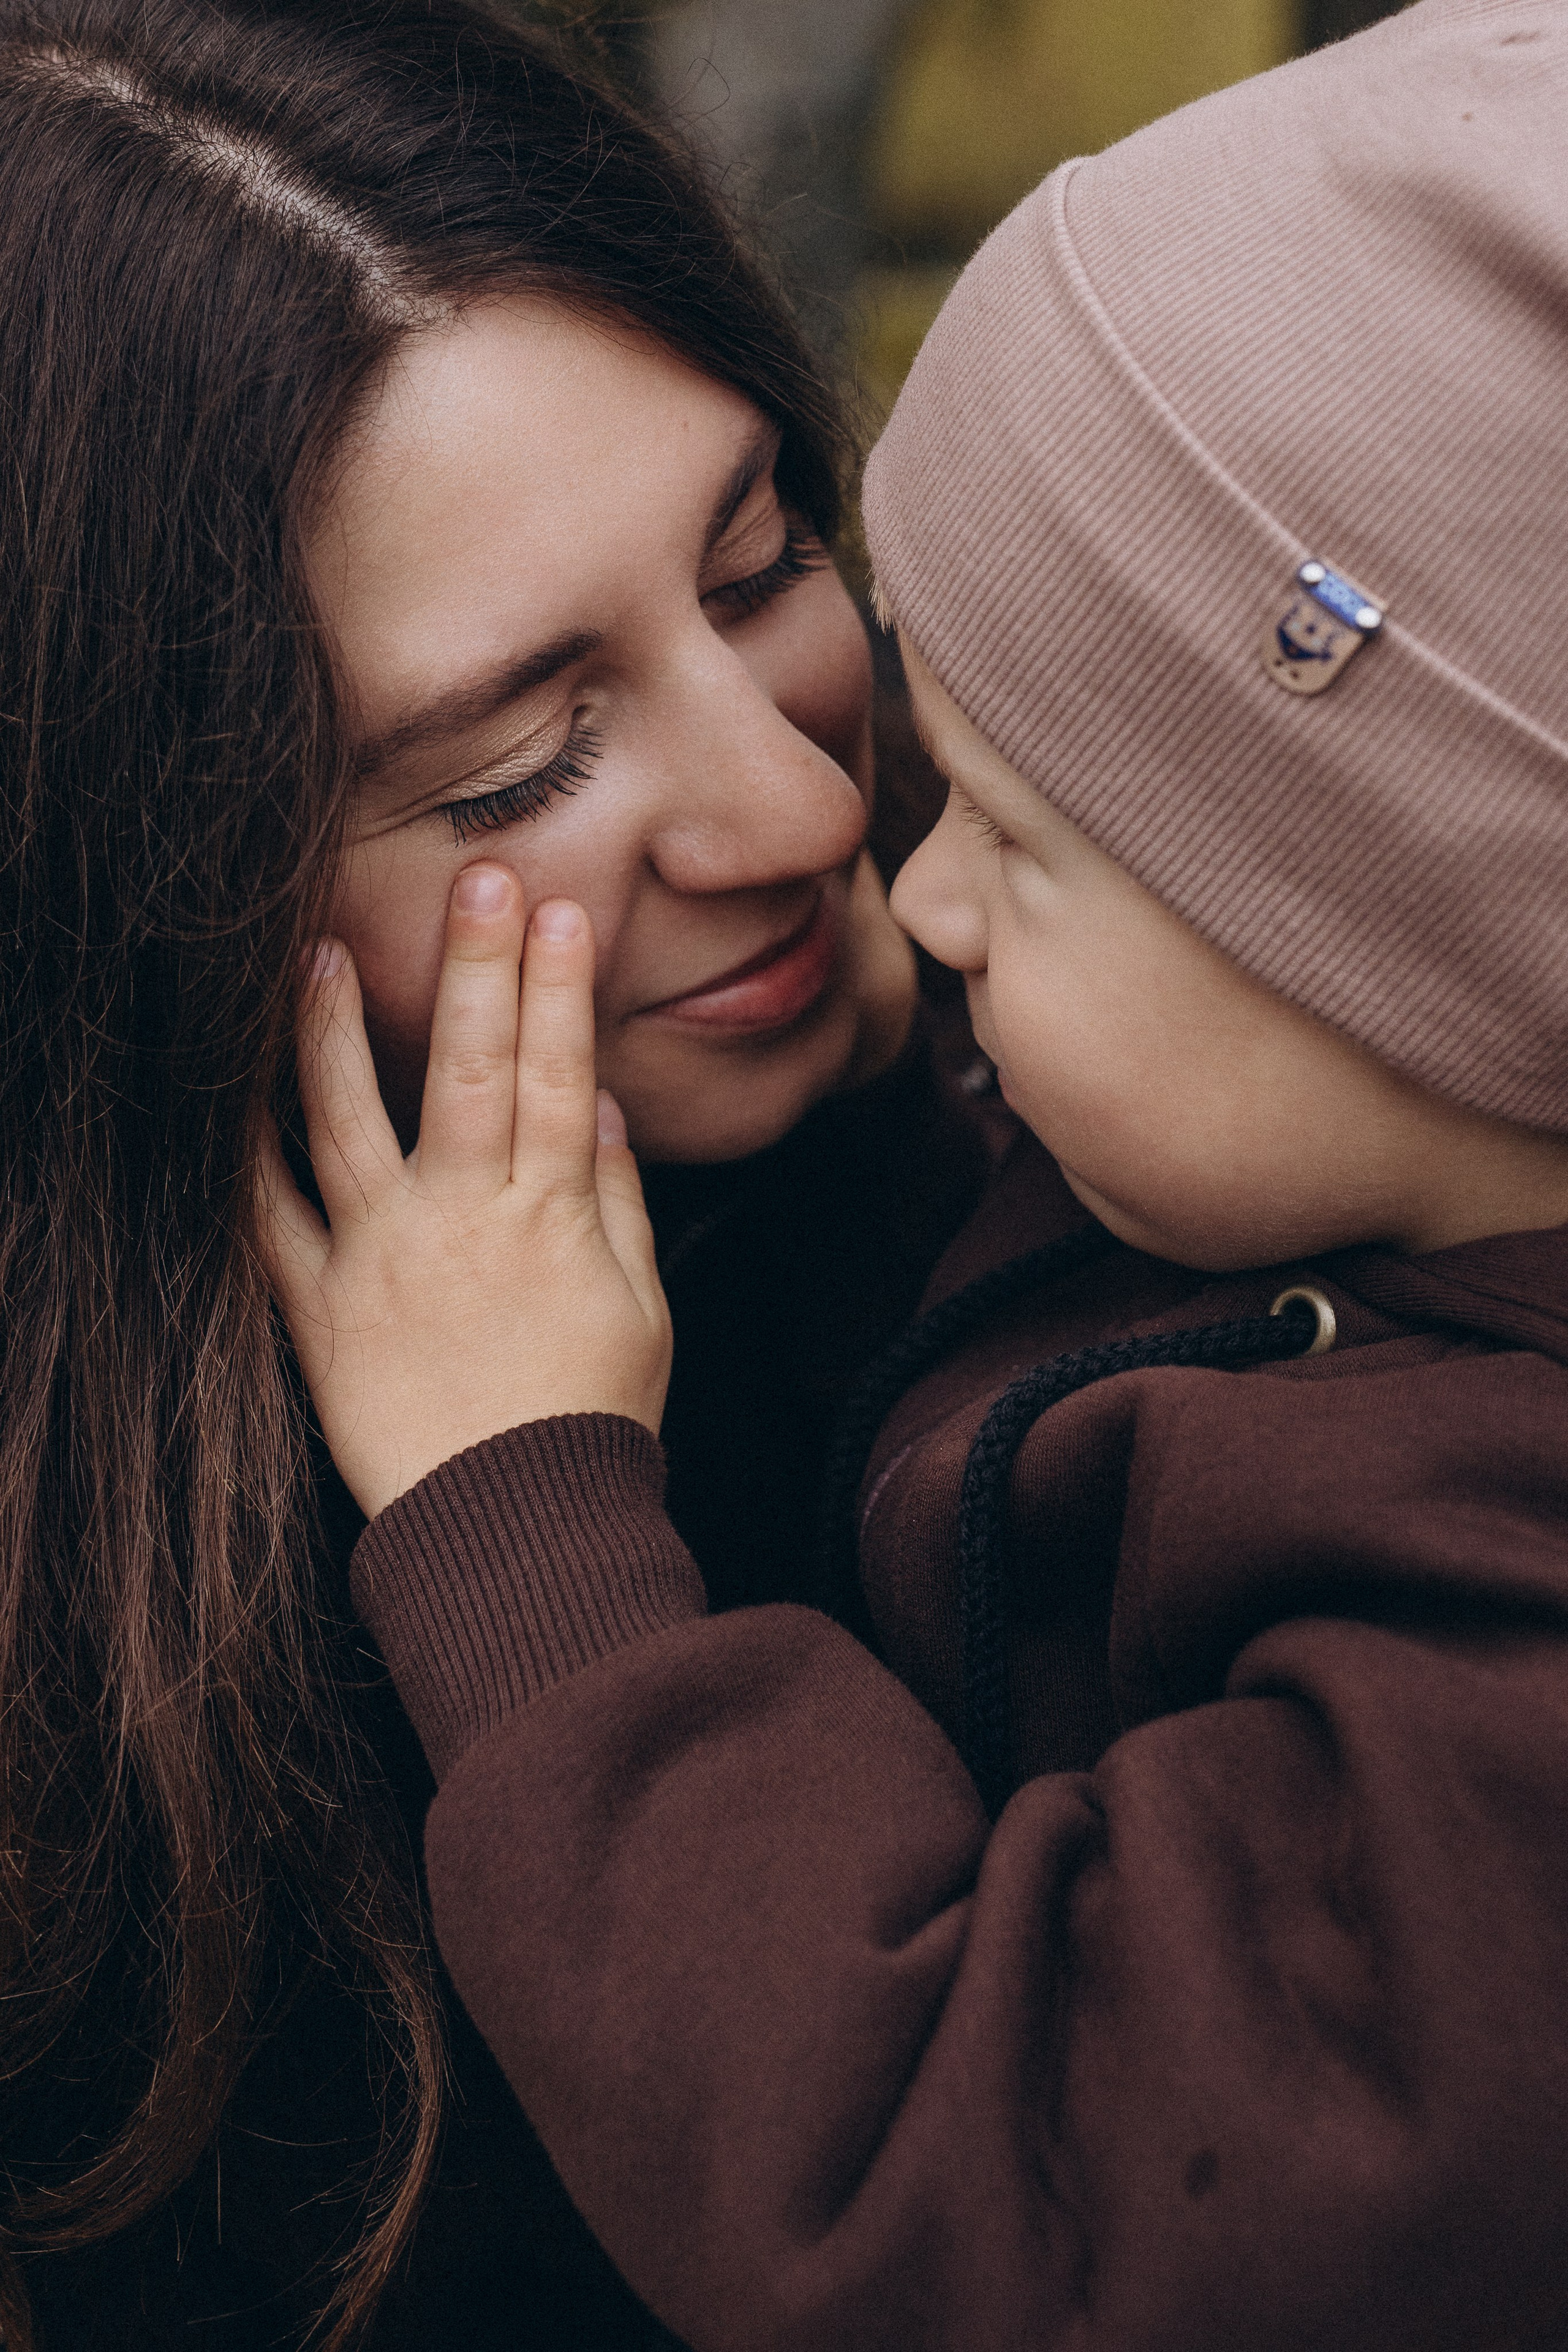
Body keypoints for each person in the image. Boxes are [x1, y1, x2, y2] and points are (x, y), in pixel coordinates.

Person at [270, 0, 1568, 2343]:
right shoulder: (1359, 1208)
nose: (842, 842)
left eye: (770, 564)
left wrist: (522, 1520)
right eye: (516, 762)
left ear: (1424, 947)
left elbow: (999, 2203)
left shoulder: (1511, 1672)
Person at [0, 2, 1001, 2343]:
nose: (802, 812)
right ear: (134, 891)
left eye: (761, 568)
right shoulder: (112, 1645)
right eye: (518, 768)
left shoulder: (1088, 1040)